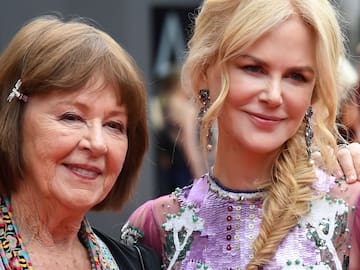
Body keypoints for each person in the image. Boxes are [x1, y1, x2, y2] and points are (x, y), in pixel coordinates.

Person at [120, 0, 360, 269]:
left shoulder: (350, 210)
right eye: (253, 68)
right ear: (204, 73)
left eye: (296, 76)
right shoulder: (157, 226)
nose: (273, 95)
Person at [0, 15, 161, 269]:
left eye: (113, 125)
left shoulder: (141, 264)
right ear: (13, 121)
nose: (97, 144)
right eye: (72, 117)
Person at [150, 66, 206, 195]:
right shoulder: (187, 109)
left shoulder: (167, 105)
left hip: (169, 170)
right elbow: (189, 144)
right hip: (185, 170)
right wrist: (201, 178)